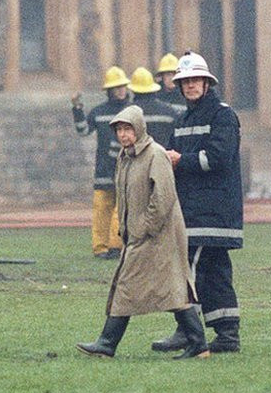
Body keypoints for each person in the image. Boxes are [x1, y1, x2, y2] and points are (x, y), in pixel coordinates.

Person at [76, 105, 209, 360]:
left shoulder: (155, 155)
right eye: (119, 130)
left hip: (159, 235)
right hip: (141, 235)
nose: (124, 135)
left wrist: (142, 228)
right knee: (171, 289)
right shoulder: (126, 157)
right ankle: (199, 344)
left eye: (128, 129)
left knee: (131, 285)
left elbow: (163, 197)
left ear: (139, 128)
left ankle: (107, 343)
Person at [157, 51, 243, 354]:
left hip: (212, 211)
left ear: (207, 83)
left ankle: (188, 332)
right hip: (194, 211)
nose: (190, 85)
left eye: (196, 80)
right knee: (216, 274)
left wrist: (182, 161)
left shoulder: (223, 115)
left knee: (186, 271)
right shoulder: (182, 120)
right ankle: (228, 335)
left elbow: (218, 159)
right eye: (186, 81)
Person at [72, 66, 131, 259]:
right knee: (101, 209)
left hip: (125, 168)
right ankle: (100, 248)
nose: (121, 90)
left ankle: (116, 246)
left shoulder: (132, 111)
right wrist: (77, 110)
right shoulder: (99, 112)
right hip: (104, 168)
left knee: (120, 209)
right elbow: (83, 130)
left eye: (123, 86)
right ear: (109, 90)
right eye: (117, 87)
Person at [126, 66, 179, 147]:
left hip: (136, 158)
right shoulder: (170, 112)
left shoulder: (127, 112)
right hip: (164, 157)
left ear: (133, 90)